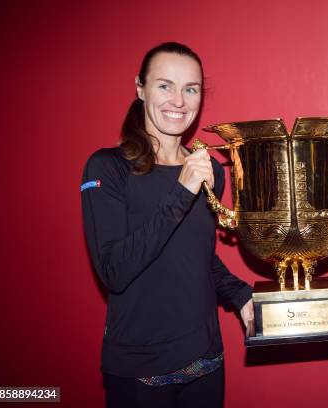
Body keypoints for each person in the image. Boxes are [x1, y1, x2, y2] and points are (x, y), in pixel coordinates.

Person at [81, 42, 253, 408]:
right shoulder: (106, 168)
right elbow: (114, 270)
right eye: (165, 86)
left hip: (205, 363)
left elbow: (196, 257)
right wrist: (181, 191)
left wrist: (242, 296)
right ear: (140, 89)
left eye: (190, 89)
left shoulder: (209, 171)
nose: (178, 100)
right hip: (141, 370)